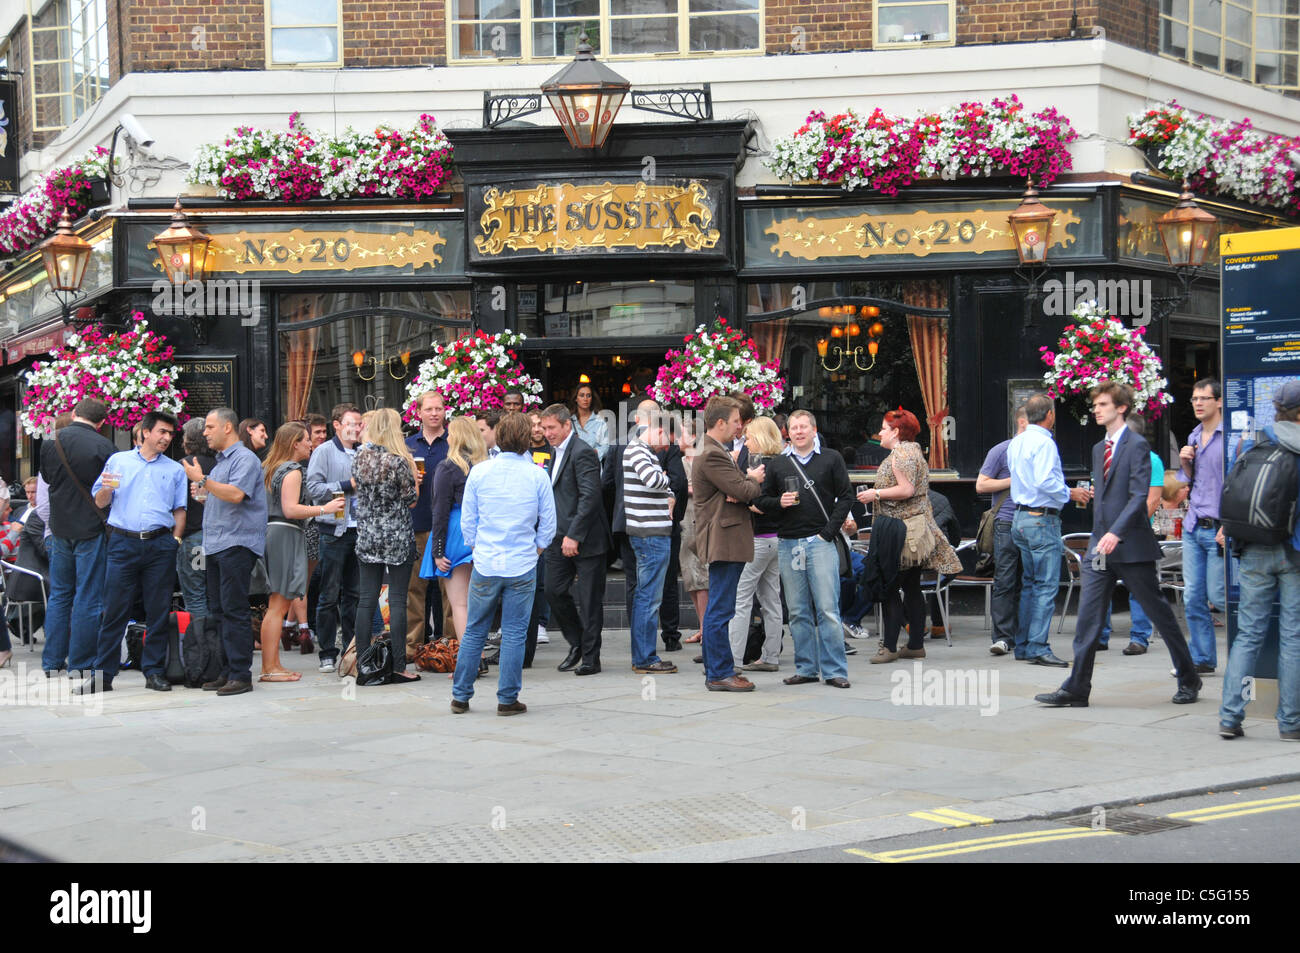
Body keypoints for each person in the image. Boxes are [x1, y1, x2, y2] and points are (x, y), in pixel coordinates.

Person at [1035, 382, 1201, 708]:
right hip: (1100, 547)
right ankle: (1076, 688)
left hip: (1130, 546)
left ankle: (1189, 677)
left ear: (1121, 408)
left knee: (1160, 614)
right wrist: (1098, 538)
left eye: (1102, 404)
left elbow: (1140, 496)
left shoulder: (1137, 445)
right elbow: (1106, 498)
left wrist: (1116, 533)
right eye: (1095, 404)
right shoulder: (1099, 449)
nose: (1096, 409)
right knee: (1088, 617)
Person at [451, 412, 557, 714]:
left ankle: (461, 695)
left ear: (498, 436)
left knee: (474, 629)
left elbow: (468, 521)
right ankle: (507, 698)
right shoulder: (537, 474)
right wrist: (535, 551)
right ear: (526, 440)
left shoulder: (481, 472)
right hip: (522, 563)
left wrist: (477, 548)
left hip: (486, 561)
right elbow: (548, 524)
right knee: (514, 633)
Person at [1217, 379, 1300, 741]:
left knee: (1248, 634)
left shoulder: (1250, 441)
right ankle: (1291, 722)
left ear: (1277, 408)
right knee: (1293, 637)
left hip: (1251, 549)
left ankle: (1230, 716)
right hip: (1294, 552)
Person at [858, 409, 963, 664]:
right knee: (912, 587)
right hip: (913, 530)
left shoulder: (901, 454)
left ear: (896, 431)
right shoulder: (913, 451)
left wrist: (876, 494)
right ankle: (915, 644)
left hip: (900, 531)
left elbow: (906, 489)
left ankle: (890, 647)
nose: (880, 433)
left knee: (891, 587)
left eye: (884, 428)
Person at [761, 409, 853, 686]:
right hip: (789, 543)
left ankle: (836, 671)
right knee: (798, 611)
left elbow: (847, 497)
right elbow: (763, 501)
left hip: (820, 543)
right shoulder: (777, 464)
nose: (799, 431)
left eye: (804, 426)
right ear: (787, 432)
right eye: (794, 427)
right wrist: (780, 503)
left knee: (827, 609)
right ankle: (806, 668)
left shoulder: (831, 458)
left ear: (814, 430)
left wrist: (827, 534)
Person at [181, 407, 269, 696]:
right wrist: (206, 496)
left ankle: (241, 674)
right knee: (218, 610)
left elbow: (236, 494)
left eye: (209, 427)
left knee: (234, 610)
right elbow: (225, 499)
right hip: (217, 543)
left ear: (227, 428)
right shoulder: (220, 463)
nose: (204, 432)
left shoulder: (244, 458)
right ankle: (226, 670)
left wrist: (203, 480)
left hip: (236, 543)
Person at [691, 395, 766, 692]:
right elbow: (744, 491)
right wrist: (752, 480)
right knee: (721, 609)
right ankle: (720, 672)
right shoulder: (712, 453)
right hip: (724, 538)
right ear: (720, 422)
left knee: (718, 608)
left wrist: (741, 484)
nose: (739, 427)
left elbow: (736, 489)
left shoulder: (713, 450)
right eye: (736, 421)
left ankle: (716, 669)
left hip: (723, 537)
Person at [1004, 394, 1086, 666]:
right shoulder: (1045, 442)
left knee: (1030, 584)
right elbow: (1044, 481)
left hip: (1020, 518)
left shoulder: (1017, 441)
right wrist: (1070, 493)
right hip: (1041, 519)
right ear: (1050, 415)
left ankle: (1025, 645)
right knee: (1046, 585)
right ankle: (1038, 645)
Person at [260, 422, 343, 682]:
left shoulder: (272, 468)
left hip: (276, 533)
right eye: (306, 439)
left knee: (278, 604)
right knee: (278, 605)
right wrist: (324, 509)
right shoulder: (293, 471)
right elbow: (291, 509)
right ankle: (269, 668)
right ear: (295, 443)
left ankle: (272, 664)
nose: (311, 443)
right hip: (285, 533)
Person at [40, 397, 116, 678]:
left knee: (60, 594)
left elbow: (48, 479)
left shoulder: (51, 442)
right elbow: (110, 492)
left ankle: (51, 662)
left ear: (74, 413)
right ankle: (80, 663)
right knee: (88, 595)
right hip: (91, 528)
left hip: (59, 526)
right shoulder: (104, 447)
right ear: (102, 422)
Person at [540, 403, 610, 676]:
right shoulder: (550, 453)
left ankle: (592, 658)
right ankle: (578, 642)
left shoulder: (583, 452)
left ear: (566, 425)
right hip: (558, 536)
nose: (547, 433)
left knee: (590, 600)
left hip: (587, 539)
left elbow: (590, 497)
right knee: (554, 591)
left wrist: (574, 535)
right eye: (544, 428)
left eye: (551, 428)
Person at [352, 408, 420, 684]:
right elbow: (411, 498)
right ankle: (398, 665)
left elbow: (359, 489)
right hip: (396, 535)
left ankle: (363, 663)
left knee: (366, 599)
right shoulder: (398, 461)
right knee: (397, 599)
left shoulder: (359, 458)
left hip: (368, 534)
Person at [1099, 413, 1165, 655]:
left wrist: (1126, 527)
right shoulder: (1106, 456)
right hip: (1105, 533)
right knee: (1099, 583)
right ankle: (1100, 635)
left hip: (1134, 534)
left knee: (1139, 588)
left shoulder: (1152, 460)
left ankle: (1139, 637)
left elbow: (1153, 499)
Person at [306, 402, 363, 673]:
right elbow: (313, 489)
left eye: (359, 424)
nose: (356, 429)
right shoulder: (324, 452)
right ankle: (327, 651)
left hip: (361, 531)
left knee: (354, 594)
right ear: (337, 425)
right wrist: (345, 486)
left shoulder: (366, 451)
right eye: (350, 424)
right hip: (333, 531)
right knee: (329, 594)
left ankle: (352, 650)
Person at [621, 407, 678, 675]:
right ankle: (645, 658)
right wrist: (667, 479)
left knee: (647, 596)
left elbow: (663, 488)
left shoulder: (640, 451)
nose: (666, 444)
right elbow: (656, 481)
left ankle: (644, 656)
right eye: (666, 436)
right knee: (649, 598)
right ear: (656, 430)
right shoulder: (639, 451)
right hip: (650, 535)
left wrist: (667, 488)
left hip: (651, 534)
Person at [729, 416, 785, 674]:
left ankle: (734, 660)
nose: (746, 441)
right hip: (777, 539)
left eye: (750, 437)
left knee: (740, 600)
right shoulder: (784, 463)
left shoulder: (760, 466)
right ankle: (771, 656)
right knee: (772, 600)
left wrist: (741, 498)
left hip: (757, 540)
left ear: (760, 438)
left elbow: (757, 503)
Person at [1178, 378, 1225, 674]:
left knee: (1220, 596)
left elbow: (1238, 485)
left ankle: (1254, 651)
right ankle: (1203, 658)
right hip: (1195, 525)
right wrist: (1185, 464)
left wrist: (1231, 524)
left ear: (1219, 402)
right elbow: (1190, 483)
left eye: (1204, 398)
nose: (1197, 403)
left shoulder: (1231, 437)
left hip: (1221, 527)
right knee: (1192, 596)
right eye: (1194, 398)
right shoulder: (1194, 435)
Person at [429, 415, 486, 644]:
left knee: (460, 603)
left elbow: (440, 511)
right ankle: (478, 653)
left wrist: (438, 550)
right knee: (477, 603)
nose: (448, 436)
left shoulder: (448, 467)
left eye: (451, 433)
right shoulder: (484, 465)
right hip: (483, 530)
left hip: (456, 532)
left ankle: (469, 659)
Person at [978, 406, 1029, 655]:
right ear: (1022, 423)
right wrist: (1016, 479)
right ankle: (1002, 637)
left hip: (1034, 521)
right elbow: (981, 484)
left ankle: (1022, 635)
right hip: (1007, 521)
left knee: (1028, 580)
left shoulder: (1041, 449)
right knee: (1006, 580)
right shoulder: (1001, 450)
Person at [405, 391, 450, 659]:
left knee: (450, 590)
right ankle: (412, 646)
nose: (435, 413)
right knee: (414, 589)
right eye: (429, 409)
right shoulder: (408, 445)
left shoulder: (454, 443)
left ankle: (450, 645)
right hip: (417, 523)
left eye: (439, 409)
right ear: (419, 412)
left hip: (447, 525)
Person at [177, 418, 215, 659]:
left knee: (195, 596)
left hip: (193, 540)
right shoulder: (220, 463)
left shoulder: (184, 466)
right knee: (214, 594)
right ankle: (216, 645)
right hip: (217, 539)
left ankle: (201, 652)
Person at [677, 416, 711, 645]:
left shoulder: (702, 460)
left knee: (702, 577)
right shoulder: (678, 460)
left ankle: (706, 629)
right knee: (690, 576)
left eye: (682, 433)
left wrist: (686, 488)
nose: (677, 438)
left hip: (698, 521)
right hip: (683, 523)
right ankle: (702, 627)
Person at [657, 413, 688, 654]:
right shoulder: (670, 451)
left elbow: (678, 480)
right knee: (663, 581)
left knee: (662, 581)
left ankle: (666, 633)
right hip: (660, 524)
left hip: (660, 524)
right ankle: (668, 634)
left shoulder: (670, 450)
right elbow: (677, 481)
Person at [570, 382, 609, 464]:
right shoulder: (569, 421)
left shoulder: (600, 421)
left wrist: (593, 453)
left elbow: (606, 446)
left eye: (588, 395)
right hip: (573, 467)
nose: (585, 399)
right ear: (576, 398)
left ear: (592, 399)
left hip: (593, 467)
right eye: (582, 395)